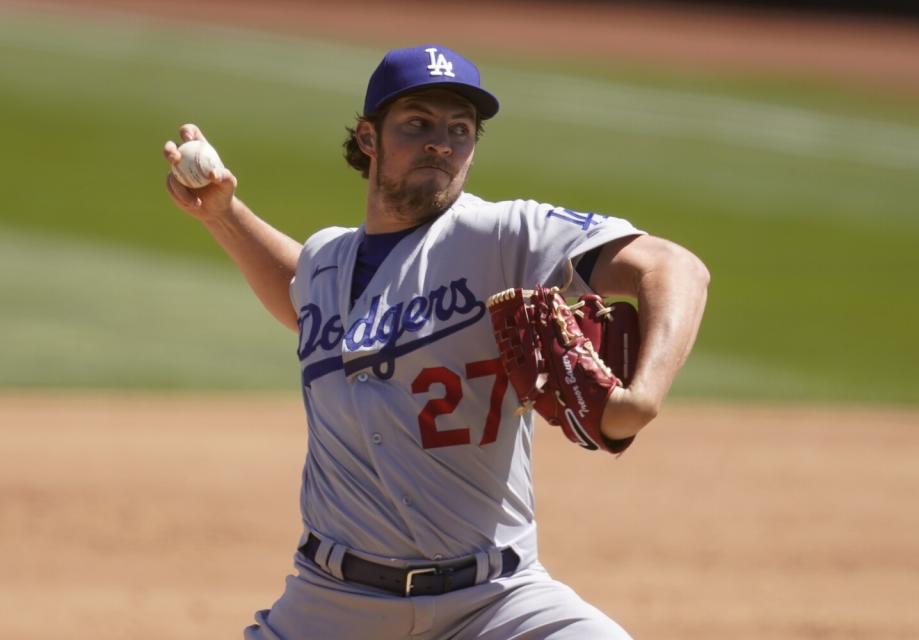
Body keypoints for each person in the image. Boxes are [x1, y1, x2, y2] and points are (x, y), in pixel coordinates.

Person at [163, 44, 709, 640]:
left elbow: (673, 266)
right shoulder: (327, 259)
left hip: (497, 600)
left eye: (460, 129)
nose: (442, 143)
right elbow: (302, 293)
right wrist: (222, 213)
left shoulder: (505, 234)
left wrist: (643, 397)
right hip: (332, 602)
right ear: (369, 138)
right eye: (418, 123)